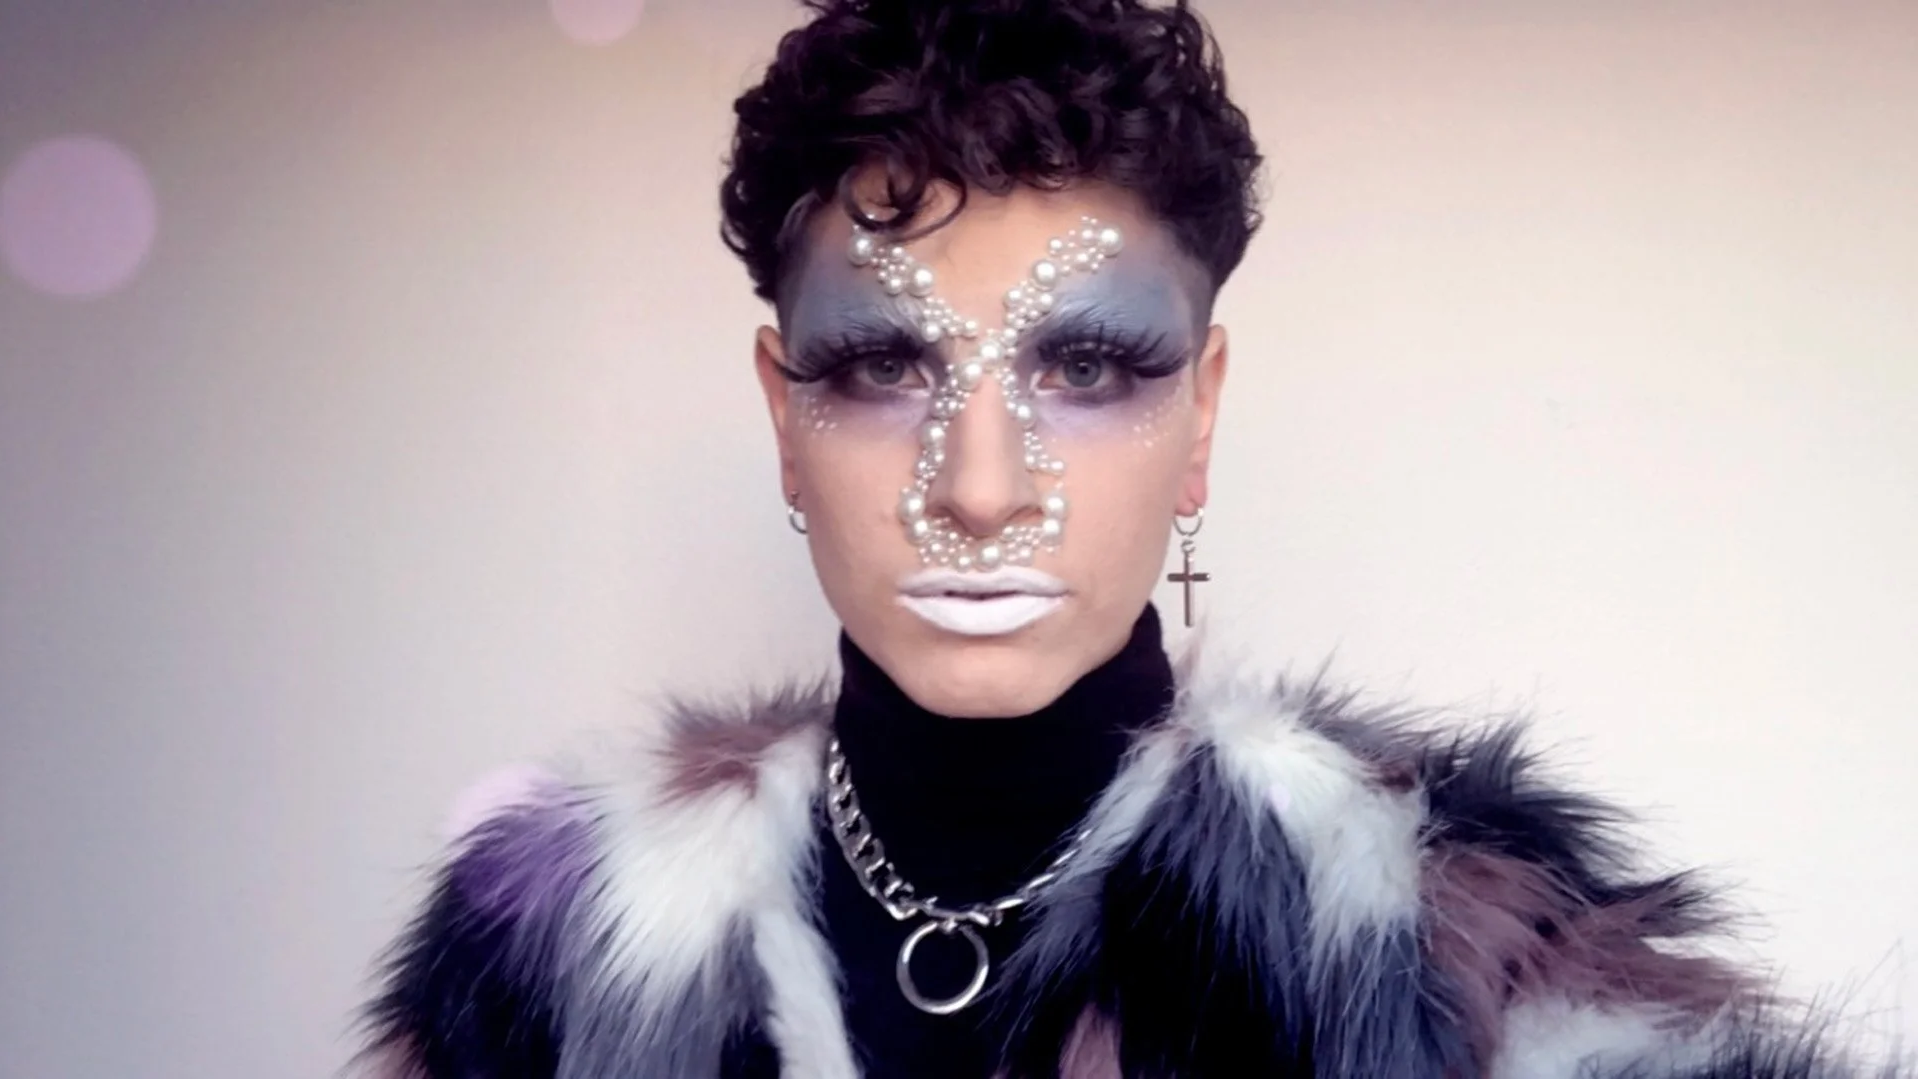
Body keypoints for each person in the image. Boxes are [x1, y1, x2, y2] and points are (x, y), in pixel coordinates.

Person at [356, 2, 1905, 1076]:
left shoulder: (1444, 945)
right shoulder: (543, 956)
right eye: (880, 365)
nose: (978, 490)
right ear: (783, 412)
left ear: (1201, 413)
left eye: (1089, 367)